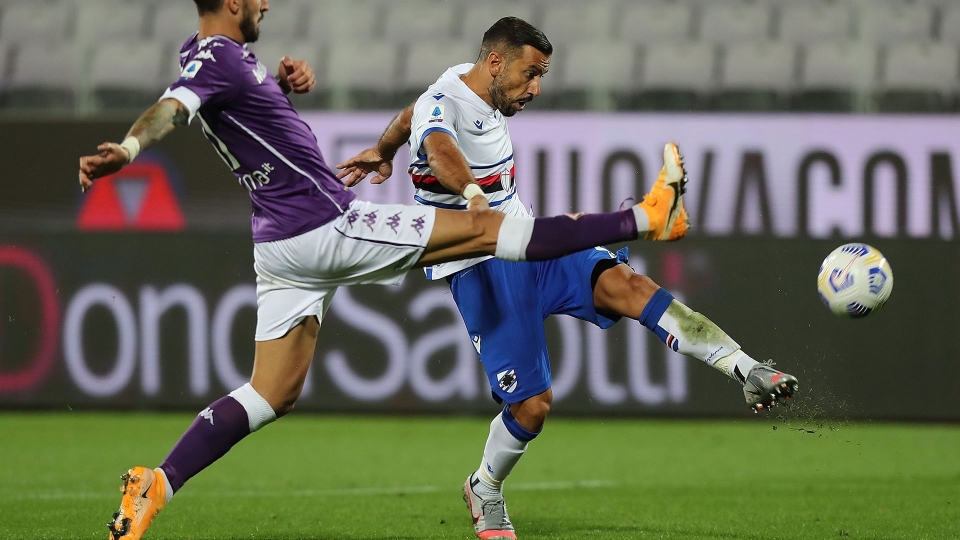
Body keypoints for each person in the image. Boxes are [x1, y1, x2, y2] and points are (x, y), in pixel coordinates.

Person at [77, 2, 704, 540]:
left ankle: (155, 483)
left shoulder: (210, 53)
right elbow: (172, 109)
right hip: (326, 224)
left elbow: (229, 107)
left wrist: (282, 87)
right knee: (488, 229)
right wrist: (128, 150)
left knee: (271, 392)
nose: (267, 5)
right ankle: (647, 219)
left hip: (278, 246)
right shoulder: (217, 59)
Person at [336, 16, 800, 540]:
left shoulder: (459, 88)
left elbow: (407, 119)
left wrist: (385, 150)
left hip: (530, 243)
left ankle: (747, 369)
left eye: (542, 76)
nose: (535, 88)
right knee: (532, 406)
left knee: (628, 285)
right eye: (529, 74)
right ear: (496, 62)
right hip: (480, 262)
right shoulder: (445, 103)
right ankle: (484, 487)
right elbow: (439, 145)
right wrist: (471, 196)